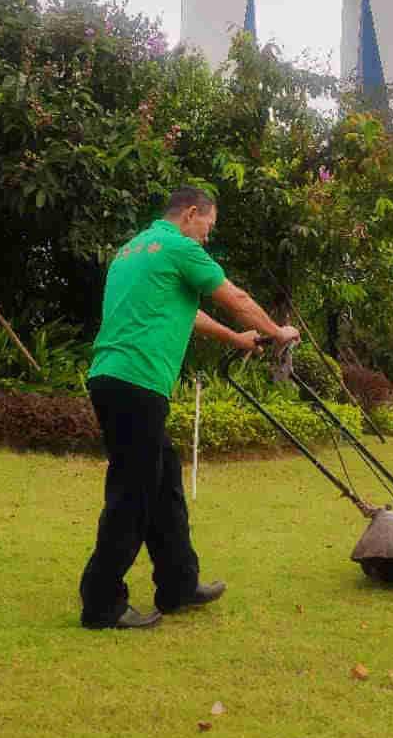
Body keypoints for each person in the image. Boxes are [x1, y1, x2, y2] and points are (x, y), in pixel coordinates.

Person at [79, 187, 299, 629]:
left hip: (115, 377)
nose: (205, 238)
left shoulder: (134, 250)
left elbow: (186, 313)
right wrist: (277, 331)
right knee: (132, 495)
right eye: (207, 228)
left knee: (165, 484)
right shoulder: (180, 247)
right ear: (192, 214)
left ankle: (179, 584)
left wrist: (238, 339)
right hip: (136, 381)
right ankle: (101, 603)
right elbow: (234, 297)